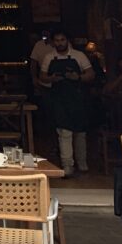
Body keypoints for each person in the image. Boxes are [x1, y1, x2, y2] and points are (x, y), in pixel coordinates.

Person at [40, 29, 94, 177]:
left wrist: (77, 77)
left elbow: (90, 74)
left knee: (80, 132)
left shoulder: (79, 56)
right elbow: (42, 76)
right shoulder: (49, 57)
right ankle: (67, 165)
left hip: (77, 98)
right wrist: (52, 79)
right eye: (57, 40)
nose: (60, 43)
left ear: (67, 40)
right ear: (53, 42)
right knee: (64, 132)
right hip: (59, 99)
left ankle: (82, 163)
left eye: (62, 40)